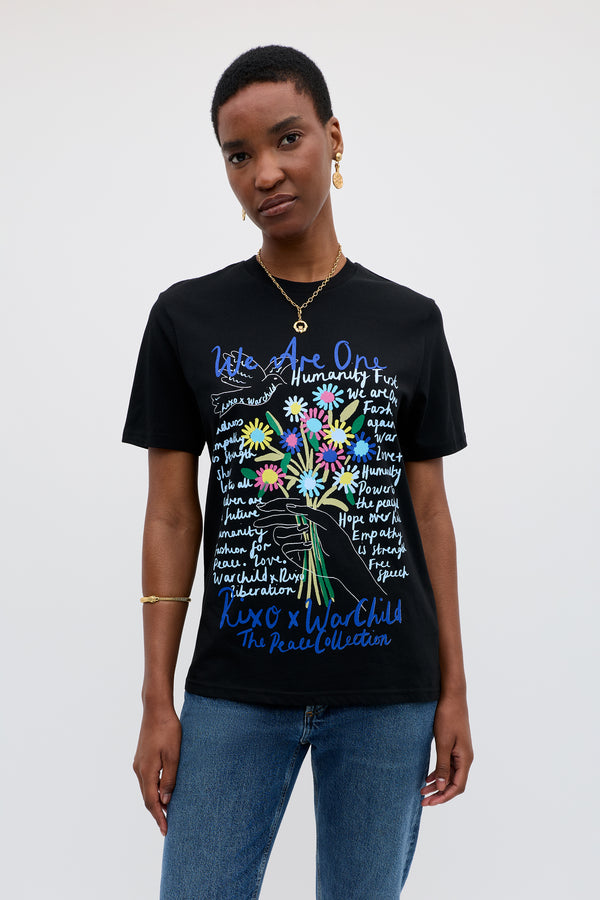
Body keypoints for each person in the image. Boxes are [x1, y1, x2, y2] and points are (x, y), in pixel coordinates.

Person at [122, 44, 474, 900]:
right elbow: (172, 516)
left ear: (333, 138)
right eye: (238, 155)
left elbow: (428, 515)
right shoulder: (185, 317)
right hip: (236, 690)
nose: (264, 173)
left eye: (287, 139)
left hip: (388, 690)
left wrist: (455, 690)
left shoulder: (410, 322)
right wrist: (156, 698)